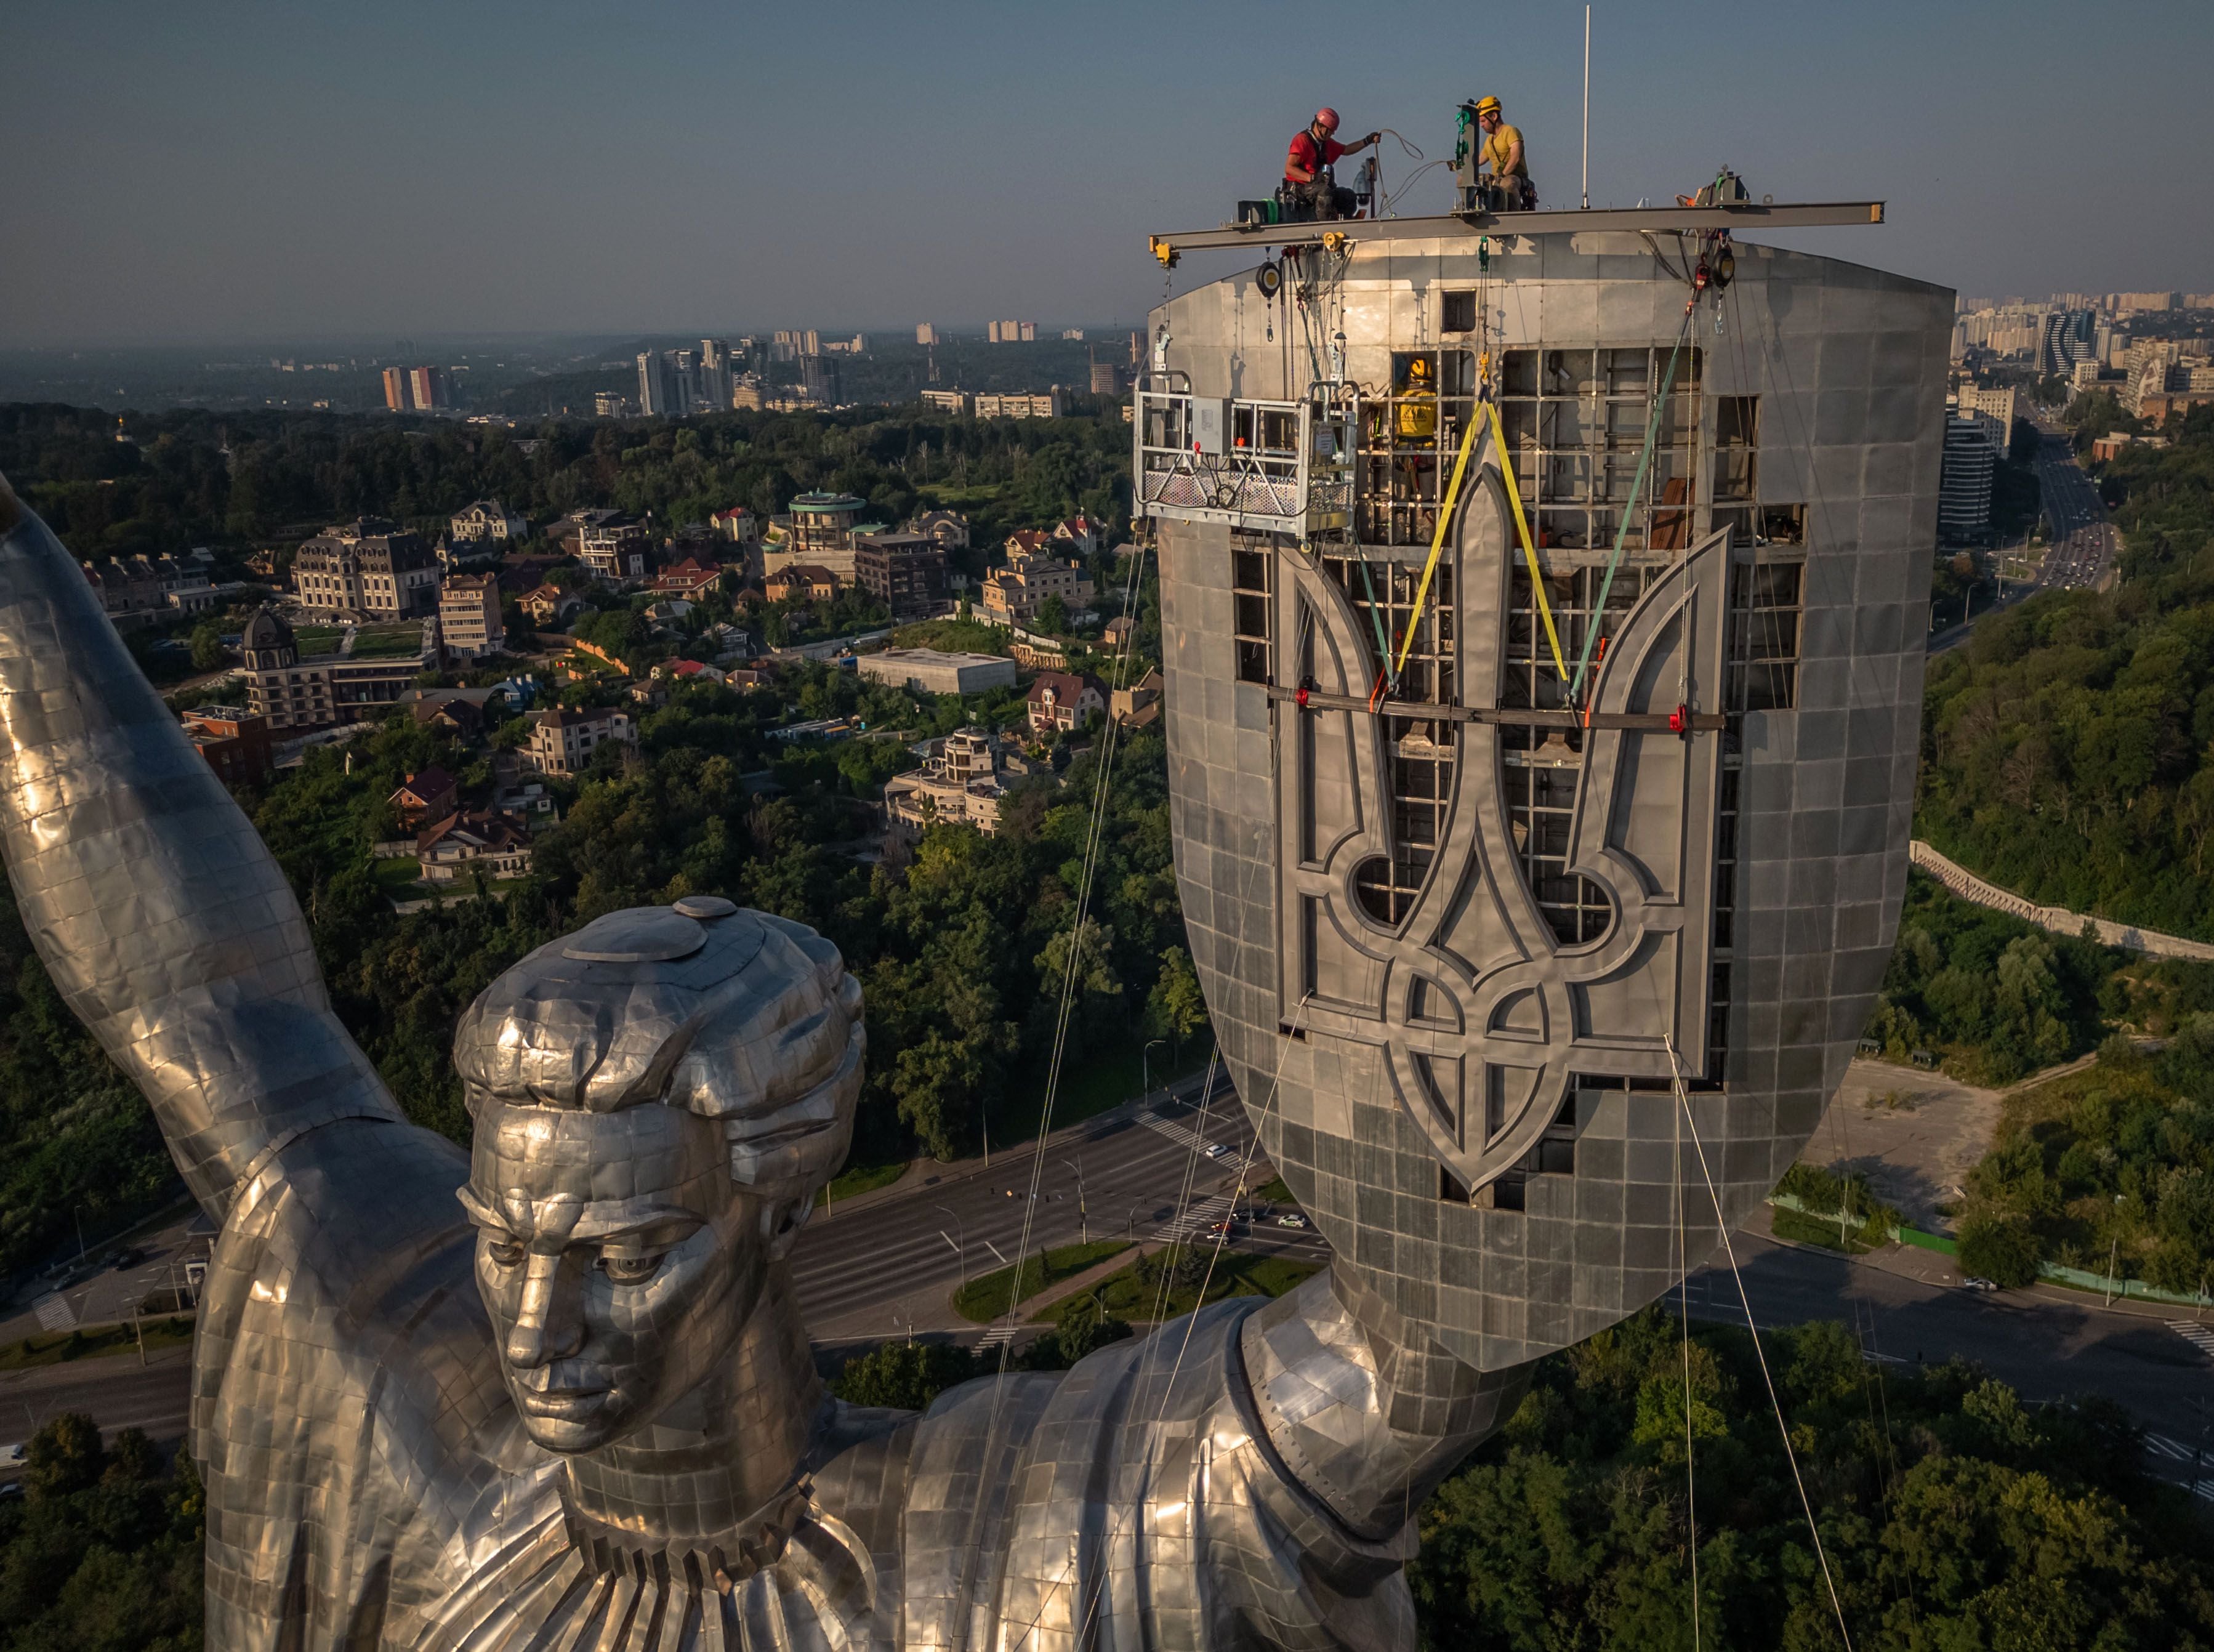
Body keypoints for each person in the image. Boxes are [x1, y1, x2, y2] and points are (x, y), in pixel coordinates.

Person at [0, 467, 1528, 1651]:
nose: (533, 1326)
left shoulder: (985, 1555)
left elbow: (1416, 1360)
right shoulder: (412, 1457)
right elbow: (194, 997)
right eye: (505, 1244)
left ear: (778, 1200)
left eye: (624, 1254)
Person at [1283, 107, 1380, 221]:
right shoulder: (1302, 140)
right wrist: (1312, 178)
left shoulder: (1326, 144)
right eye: (1331, 130)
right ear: (1321, 126)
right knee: (1325, 192)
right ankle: (1325, 226)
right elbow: (1289, 168)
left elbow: (1346, 150)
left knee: (1348, 196)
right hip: (1299, 188)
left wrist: (1367, 141)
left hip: (1318, 187)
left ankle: (1346, 223)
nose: (1333, 133)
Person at [1475, 95, 1535, 211]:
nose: (1481, 125)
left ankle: (1514, 217)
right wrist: (1461, 164)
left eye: (1483, 121)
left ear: (1494, 116)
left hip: (1517, 178)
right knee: (1469, 181)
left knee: (1507, 183)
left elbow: (1515, 157)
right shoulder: (1489, 140)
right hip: (1497, 179)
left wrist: (1501, 176)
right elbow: (1480, 160)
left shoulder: (1511, 132)